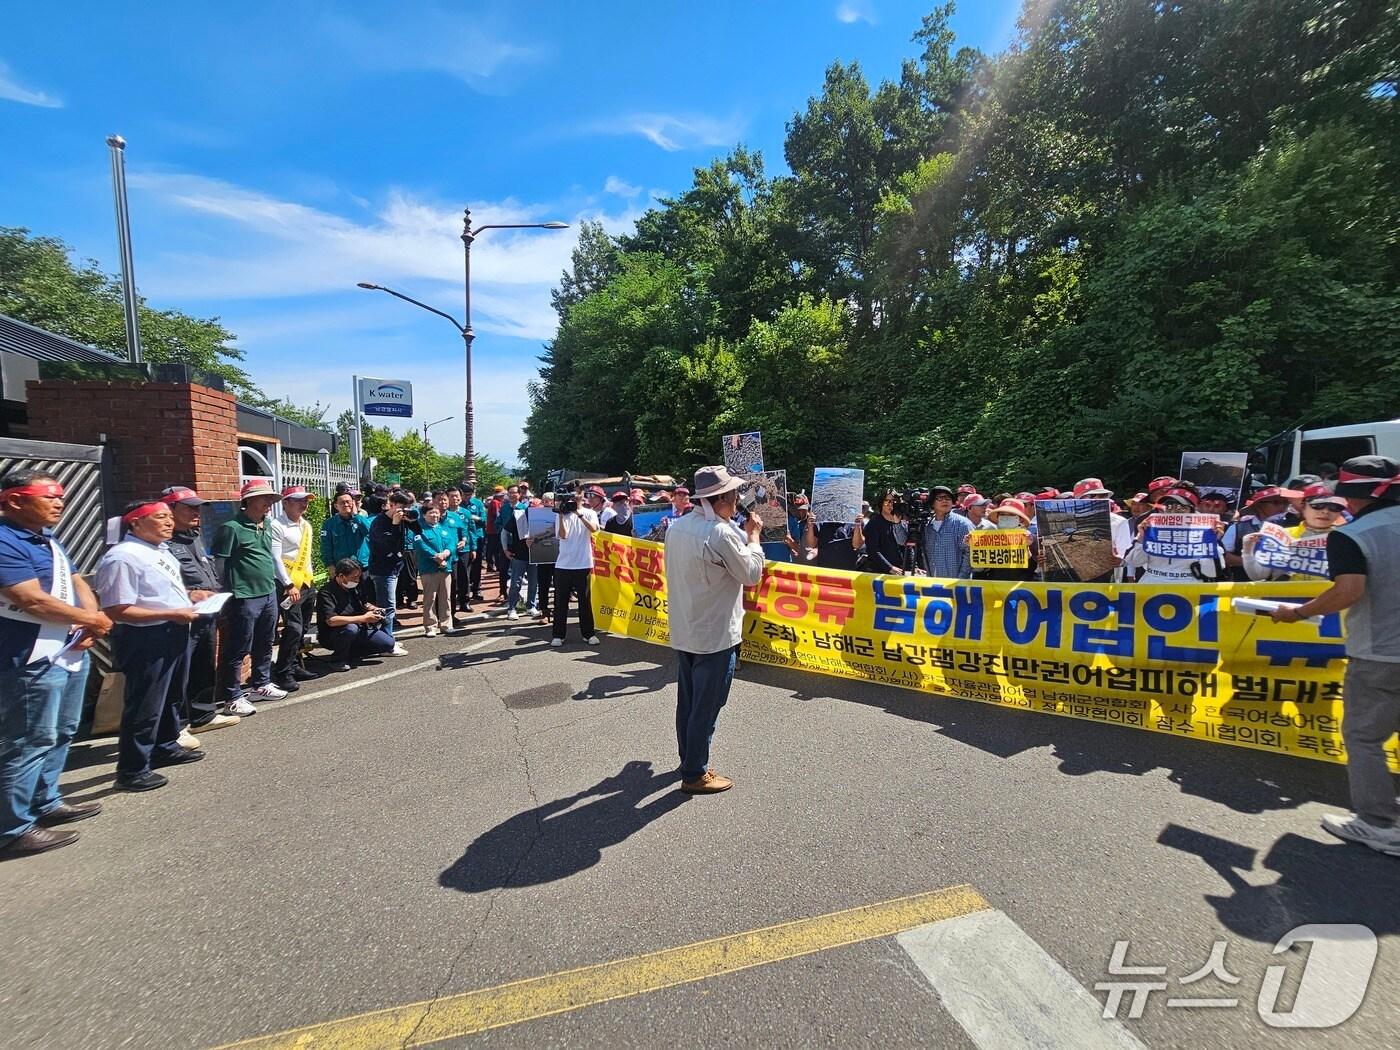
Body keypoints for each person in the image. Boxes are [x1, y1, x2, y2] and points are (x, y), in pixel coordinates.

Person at [1270, 456, 1400, 856]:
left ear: (1354, 496)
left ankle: (1379, 824)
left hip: (1381, 653)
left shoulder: (1353, 535)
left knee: (1363, 737)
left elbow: (1348, 591)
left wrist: (1299, 613)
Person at [0, 470, 112, 857]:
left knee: (62, 730)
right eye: (49, 496)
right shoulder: (5, 540)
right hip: (30, 658)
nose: (59, 503)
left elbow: (77, 579)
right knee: (29, 739)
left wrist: (90, 618)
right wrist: (89, 620)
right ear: (15, 500)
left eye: (61, 495)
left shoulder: (46, 537)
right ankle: (12, 828)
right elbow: (30, 599)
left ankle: (45, 800)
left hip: (69, 648)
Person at [664, 466, 765, 795]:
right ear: (721, 498)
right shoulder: (720, 533)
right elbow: (751, 573)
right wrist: (753, 538)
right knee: (706, 706)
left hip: (686, 627)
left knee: (689, 702)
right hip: (715, 632)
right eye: (734, 495)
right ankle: (695, 773)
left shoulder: (678, 527)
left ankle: (689, 759)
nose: (737, 501)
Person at [95, 501, 205, 792]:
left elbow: (156, 593)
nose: (169, 522)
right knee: (146, 703)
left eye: (169, 517)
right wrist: (171, 613)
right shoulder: (123, 557)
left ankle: (165, 746)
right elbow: (117, 609)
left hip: (173, 630)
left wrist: (191, 596)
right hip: (145, 637)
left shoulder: (159, 550)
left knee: (171, 695)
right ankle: (132, 769)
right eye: (160, 517)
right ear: (135, 523)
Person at [162, 486, 238, 735]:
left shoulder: (194, 536)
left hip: (207, 612)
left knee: (203, 665)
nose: (196, 513)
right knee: (179, 671)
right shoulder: (162, 543)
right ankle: (177, 726)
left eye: (197, 508)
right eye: (189, 508)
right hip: (181, 616)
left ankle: (203, 715)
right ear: (170, 509)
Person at [212, 480, 287, 716]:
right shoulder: (232, 528)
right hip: (244, 595)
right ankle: (231, 696)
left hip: (268, 591)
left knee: (265, 641)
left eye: (271, 498)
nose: (269, 502)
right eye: (264, 498)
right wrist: (227, 591)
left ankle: (260, 684)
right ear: (249, 500)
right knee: (238, 646)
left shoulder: (267, 524)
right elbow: (220, 563)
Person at [269, 485, 320, 693]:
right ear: (286, 502)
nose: (303, 504)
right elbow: (275, 558)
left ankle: (294, 664)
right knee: (293, 628)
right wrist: (288, 584)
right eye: (298, 500)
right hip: (287, 585)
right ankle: (283, 672)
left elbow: (306, 557)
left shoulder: (306, 525)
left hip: (306, 582)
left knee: (304, 626)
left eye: (305, 500)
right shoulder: (276, 525)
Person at [1243, 483, 1347, 581]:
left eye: (1334, 507)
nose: (1325, 511)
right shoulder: (1281, 534)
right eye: (1317, 505)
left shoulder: (1346, 540)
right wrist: (1248, 550)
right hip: (1285, 594)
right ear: (1303, 507)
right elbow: (1258, 575)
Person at [1123, 485, 1224, 583]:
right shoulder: (1152, 529)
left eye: (1180, 508)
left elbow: (1212, 573)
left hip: (1188, 584)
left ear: (1192, 511)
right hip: (1152, 582)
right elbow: (1134, 562)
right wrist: (1141, 538)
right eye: (1168, 506)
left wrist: (1212, 543)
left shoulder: (1205, 532)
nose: (1173, 511)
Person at [316, 559, 397, 671]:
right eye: (354, 577)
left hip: (359, 628)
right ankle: (337, 660)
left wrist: (373, 609)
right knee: (351, 628)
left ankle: (351, 653)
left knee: (388, 643)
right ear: (341, 576)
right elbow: (331, 620)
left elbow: (364, 603)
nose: (357, 580)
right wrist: (364, 618)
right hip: (333, 633)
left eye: (358, 577)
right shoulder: (326, 592)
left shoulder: (355, 587)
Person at [552, 491, 600, 647]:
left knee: (585, 601)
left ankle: (588, 633)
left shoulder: (590, 513)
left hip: (583, 563)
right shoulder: (562, 514)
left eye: (577, 493)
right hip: (564, 564)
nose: (574, 497)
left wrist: (579, 514)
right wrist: (561, 514)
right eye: (571, 495)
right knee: (560, 601)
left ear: (582, 495)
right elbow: (563, 535)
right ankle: (558, 635)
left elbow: (594, 529)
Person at [367, 492, 414, 646]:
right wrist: (394, 524)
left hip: (395, 567)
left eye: (407, 508)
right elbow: (388, 544)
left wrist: (411, 520)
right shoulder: (379, 522)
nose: (404, 511)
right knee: (387, 607)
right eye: (401, 507)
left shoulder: (401, 519)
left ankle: (388, 639)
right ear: (391, 505)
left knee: (389, 606)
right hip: (382, 569)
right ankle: (386, 643)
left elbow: (419, 531)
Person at [414, 505, 456, 637]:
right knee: (430, 598)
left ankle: (446, 624)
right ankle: (430, 626)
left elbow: (451, 543)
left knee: (446, 597)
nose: (435, 515)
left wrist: (446, 553)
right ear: (424, 515)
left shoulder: (443, 528)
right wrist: (436, 557)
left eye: (437, 513)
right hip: (429, 569)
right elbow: (421, 547)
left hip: (445, 567)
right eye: (431, 513)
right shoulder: (420, 530)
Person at [499, 489, 538, 621]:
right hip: (519, 554)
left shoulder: (541, 517)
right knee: (516, 582)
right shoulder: (519, 515)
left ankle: (531, 606)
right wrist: (505, 549)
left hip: (535, 555)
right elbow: (504, 532)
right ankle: (512, 608)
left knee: (533, 582)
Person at [920, 485, 973, 579]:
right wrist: (897, 521)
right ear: (932, 503)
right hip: (932, 582)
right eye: (940, 498)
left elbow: (970, 552)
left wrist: (961, 578)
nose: (945, 500)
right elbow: (902, 541)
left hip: (957, 583)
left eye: (948, 498)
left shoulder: (962, 523)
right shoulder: (927, 526)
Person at [319, 491, 371, 576]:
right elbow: (326, 547)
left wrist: (356, 515)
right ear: (336, 506)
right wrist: (330, 566)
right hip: (342, 569)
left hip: (362, 567)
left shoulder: (361, 519)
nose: (346, 505)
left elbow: (369, 532)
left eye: (348, 502)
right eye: (342, 503)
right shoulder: (329, 524)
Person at [862, 490, 907, 575]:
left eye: (893, 501)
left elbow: (908, 547)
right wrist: (889, 567)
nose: (890, 504)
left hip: (901, 571)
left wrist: (913, 567)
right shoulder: (875, 522)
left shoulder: (902, 523)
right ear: (881, 503)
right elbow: (872, 550)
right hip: (881, 572)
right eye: (887, 501)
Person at [785, 494, 818, 561]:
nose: (799, 512)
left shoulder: (814, 523)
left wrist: (791, 543)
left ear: (807, 508)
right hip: (796, 563)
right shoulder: (792, 522)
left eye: (802, 509)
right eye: (796, 509)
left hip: (811, 563)